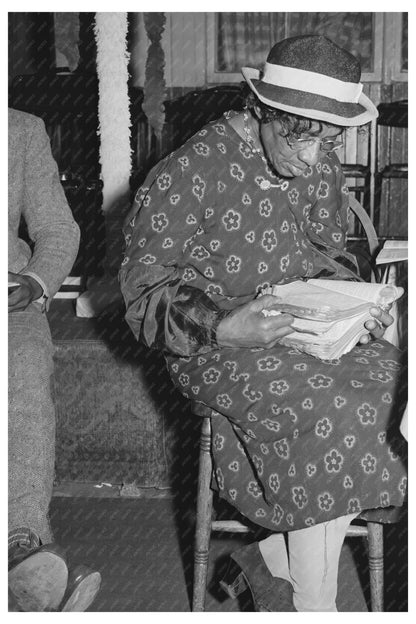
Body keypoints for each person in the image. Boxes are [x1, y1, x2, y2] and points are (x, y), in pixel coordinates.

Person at [119, 35, 407, 612]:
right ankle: (310, 601)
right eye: (300, 138)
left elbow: (332, 252)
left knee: (402, 392)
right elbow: (141, 296)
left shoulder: (316, 161)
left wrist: (356, 307)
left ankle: (271, 560)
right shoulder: (190, 170)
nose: (312, 159)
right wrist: (227, 325)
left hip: (312, 334)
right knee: (330, 408)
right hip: (214, 345)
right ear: (262, 111)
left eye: (327, 141)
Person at [8, 108, 101, 611]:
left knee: (22, 373)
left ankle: (21, 543)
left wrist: (36, 281)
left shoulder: (21, 130)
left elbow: (59, 229)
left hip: (8, 300)